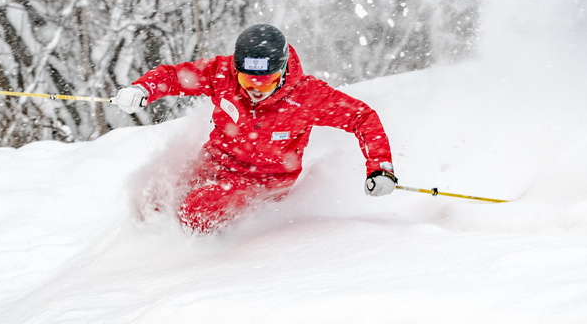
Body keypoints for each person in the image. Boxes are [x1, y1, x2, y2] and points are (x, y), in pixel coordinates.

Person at [112, 24, 397, 233]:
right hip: (216, 161)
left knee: (197, 210)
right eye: (248, 82)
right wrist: (143, 89)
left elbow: (363, 118)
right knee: (155, 199)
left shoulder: (307, 96)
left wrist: (380, 167)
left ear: (283, 71)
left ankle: (201, 262)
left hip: (262, 181)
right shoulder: (222, 74)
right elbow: (174, 77)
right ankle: (146, 253)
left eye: (266, 82)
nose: (256, 91)